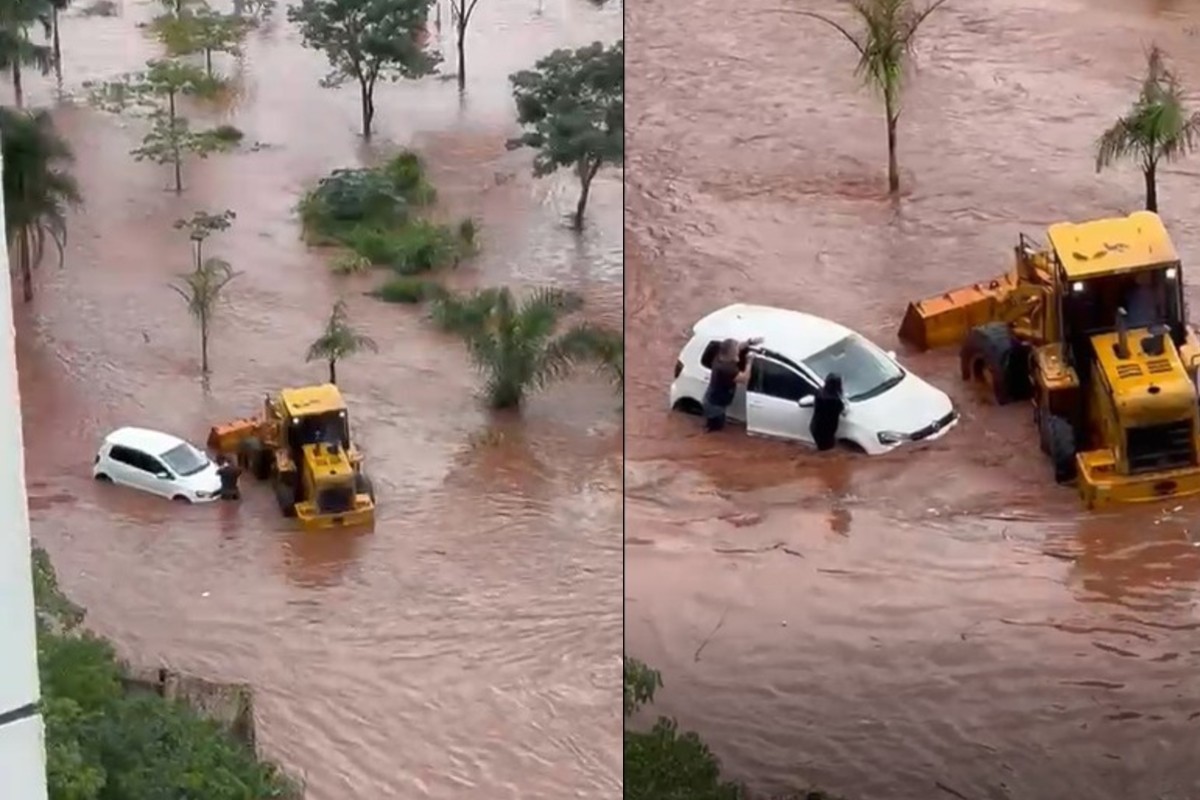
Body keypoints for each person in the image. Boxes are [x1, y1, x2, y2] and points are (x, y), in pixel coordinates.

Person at [702, 336, 762, 432]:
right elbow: (745, 378)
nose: (738, 351)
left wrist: (749, 342)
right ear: (731, 353)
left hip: (712, 399)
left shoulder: (720, 355)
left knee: (712, 425)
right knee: (716, 429)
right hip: (716, 406)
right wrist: (749, 362)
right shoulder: (727, 369)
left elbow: (738, 347)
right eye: (736, 351)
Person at [809, 373, 847, 452]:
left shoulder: (819, 393)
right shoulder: (834, 401)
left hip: (816, 427)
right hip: (826, 432)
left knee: (823, 449)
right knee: (827, 450)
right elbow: (843, 411)